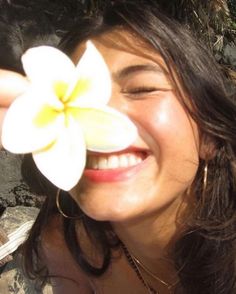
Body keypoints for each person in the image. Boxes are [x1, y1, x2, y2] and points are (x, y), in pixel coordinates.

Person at [1, 1, 236, 293]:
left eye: (142, 89)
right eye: (90, 95)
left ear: (209, 135)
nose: (103, 112)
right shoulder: (65, 245)